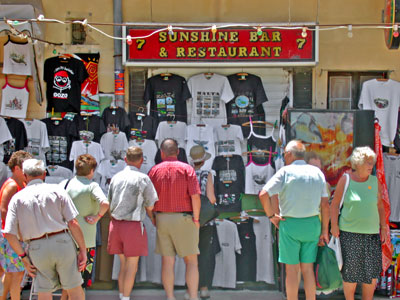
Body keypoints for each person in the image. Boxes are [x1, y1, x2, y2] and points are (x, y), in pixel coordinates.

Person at [3, 159, 87, 300]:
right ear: (44, 174)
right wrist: (83, 250)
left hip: (37, 247)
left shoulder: (17, 198)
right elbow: (73, 222)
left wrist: (23, 257)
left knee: (44, 291)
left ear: (24, 175)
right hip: (62, 243)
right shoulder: (57, 190)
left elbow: (9, 233)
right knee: (74, 288)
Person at [259, 140, 329, 300]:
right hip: (312, 225)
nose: (284, 157)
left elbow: (263, 194)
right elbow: (325, 204)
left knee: (292, 271)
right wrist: (325, 231)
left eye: (284, 154)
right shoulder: (317, 172)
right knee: (308, 270)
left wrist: (271, 216)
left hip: (289, 224)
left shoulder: (284, 172)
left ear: (289, 154)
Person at [148, 139, 201, 300]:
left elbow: (148, 201)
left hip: (162, 217)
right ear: (178, 152)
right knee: (191, 261)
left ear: (162, 153)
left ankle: (170, 297)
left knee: (167, 262)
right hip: (185, 218)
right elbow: (195, 197)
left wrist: (153, 218)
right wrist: (197, 219)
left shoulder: (154, 171)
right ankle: (192, 297)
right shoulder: (187, 169)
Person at [330, 146, 386, 300]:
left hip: (372, 235)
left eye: (371, 163)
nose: (371, 166)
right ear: (358, 163)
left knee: (371, 273)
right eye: (367, 162)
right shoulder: (346, 179)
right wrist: (334, 225)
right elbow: (334, 205)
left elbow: (380, 206)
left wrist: (384, 226)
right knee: (351, 273)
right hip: (349, 233)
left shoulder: (374, 181)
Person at [107, 146, 158, 300]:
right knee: (132, 266)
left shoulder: (116, 177)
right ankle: (126, 297)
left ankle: (122, 296)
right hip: (133, 225)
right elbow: (150, 205)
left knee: (123, 265)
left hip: (116, 224)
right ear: (141, 161)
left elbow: (108, 202)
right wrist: (153, 219)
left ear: (125, 159)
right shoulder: (143, 178)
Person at [60, 154, 109, 299]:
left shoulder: (65, 184)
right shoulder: (92, 186)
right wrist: (97, 217)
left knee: (67, 280)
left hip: (66, 237)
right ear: (92, 170)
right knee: (79, 282)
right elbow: (105, 203)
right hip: (86, 240)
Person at [187, 145, 218, 300]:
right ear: (204, 160)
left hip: (189, 220)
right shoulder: (208, 174)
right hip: (206, 221)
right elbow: (211, 198)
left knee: (190, 256)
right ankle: (204, 288)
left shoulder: (187, 174)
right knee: (204, 254)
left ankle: (190, 290)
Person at [0, 150, 32, 300]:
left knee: (10, 273)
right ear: (17, 168)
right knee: (17, 273)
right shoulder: (12, 185)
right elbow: (3, 209)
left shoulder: (21, 183)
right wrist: (14, 231)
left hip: (12, 235)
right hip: (10, 237)